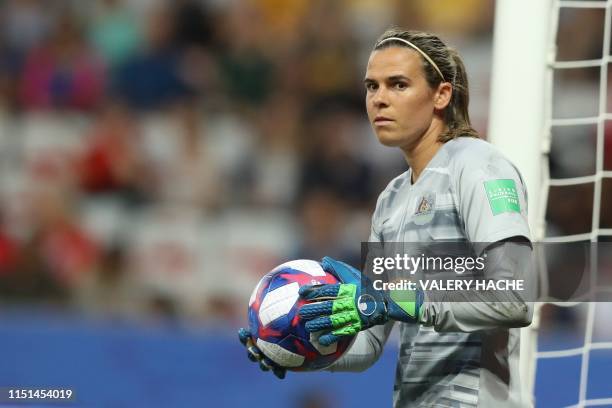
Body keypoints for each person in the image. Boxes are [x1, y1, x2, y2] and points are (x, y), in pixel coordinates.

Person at [239, 28, 535, 407]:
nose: (379, 99)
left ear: (441, 95)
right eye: (371, 86)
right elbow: (371, 342)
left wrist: (400, 300)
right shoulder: (391, 200)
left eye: (397, 85)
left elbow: (514, 298)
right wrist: (295, 344)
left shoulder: (481, 168)